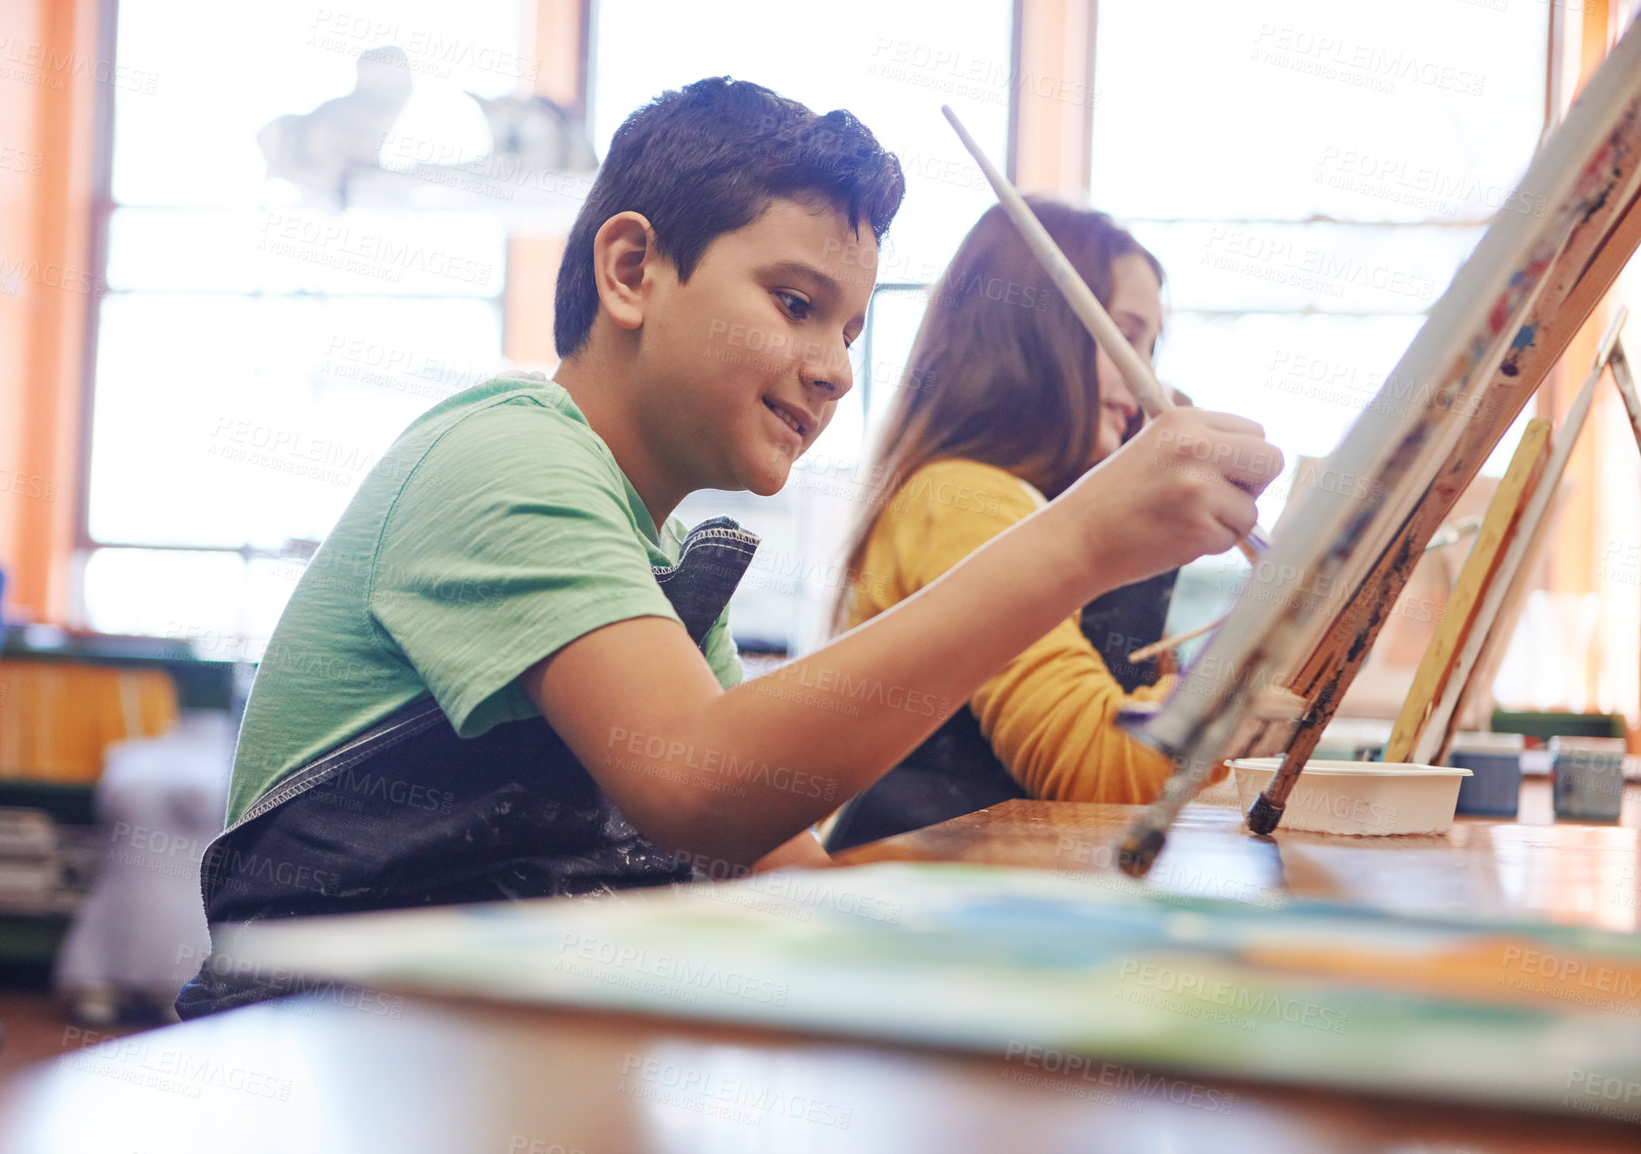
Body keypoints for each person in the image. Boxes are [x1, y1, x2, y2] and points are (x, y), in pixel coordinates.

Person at [176, 78, 1280, 1018]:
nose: (836, 367)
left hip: (504, 1029)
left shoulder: (653, 551)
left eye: (850, 329)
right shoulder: (502, 452)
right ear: (630, 272)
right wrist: (1079, 539)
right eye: (796, 302)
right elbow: (700, 786)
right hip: (335, 1044)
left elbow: (771, 858)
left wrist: (1002, 947)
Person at [823, 200, 1222, 851]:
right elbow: (1102, 776)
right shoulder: (966, 498)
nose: (1145, 375)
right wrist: (1256, 665)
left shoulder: (1013, 503)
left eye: (1152, 348)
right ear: (1034, 331)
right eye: (1125, 335)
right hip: (923, 911)